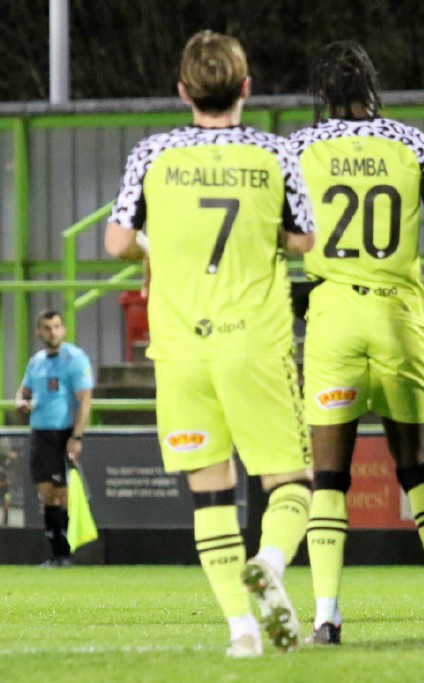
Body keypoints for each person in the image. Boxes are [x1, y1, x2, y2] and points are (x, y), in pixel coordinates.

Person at [105, 30, 316, 658]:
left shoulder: (153, 153)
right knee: (292, 484)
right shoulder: (275, 154)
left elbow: (117, 243)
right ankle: (272, 562)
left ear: (183, 91)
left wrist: (154, 245)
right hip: (253, 343)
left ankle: (242, 632)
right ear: (246, 88)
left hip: (180, 350)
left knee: (211, 492)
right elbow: (303, 240)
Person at [289, 40, 424, 645]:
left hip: (334, 320)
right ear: (374, 88)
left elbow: (280, 234)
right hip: (399, 322)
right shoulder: (412, 141)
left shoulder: (299, 146)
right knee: (417, 468)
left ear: (322, 94)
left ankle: (326, 617)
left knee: (328, 479)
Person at [14, 310, 93, 566]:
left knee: (62, 494)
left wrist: (76, 436)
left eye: (57, 327)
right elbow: (23, 390)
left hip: (63, 433)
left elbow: (85, 401)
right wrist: (20, 401)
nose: (53, 332)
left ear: (64, 330)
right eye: (47, 328)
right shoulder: (36, 361)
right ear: (39, 332)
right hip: (40, 432)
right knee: (46, 493)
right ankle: (54, 554)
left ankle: (67, 554)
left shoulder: (75, 359)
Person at [0, 441, 15, 527]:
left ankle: (5, 522)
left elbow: (11, 480)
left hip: (6, 492)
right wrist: (6, 483)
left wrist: (9, 481)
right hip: (1, 491)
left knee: (6, 504)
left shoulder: (6, 470)